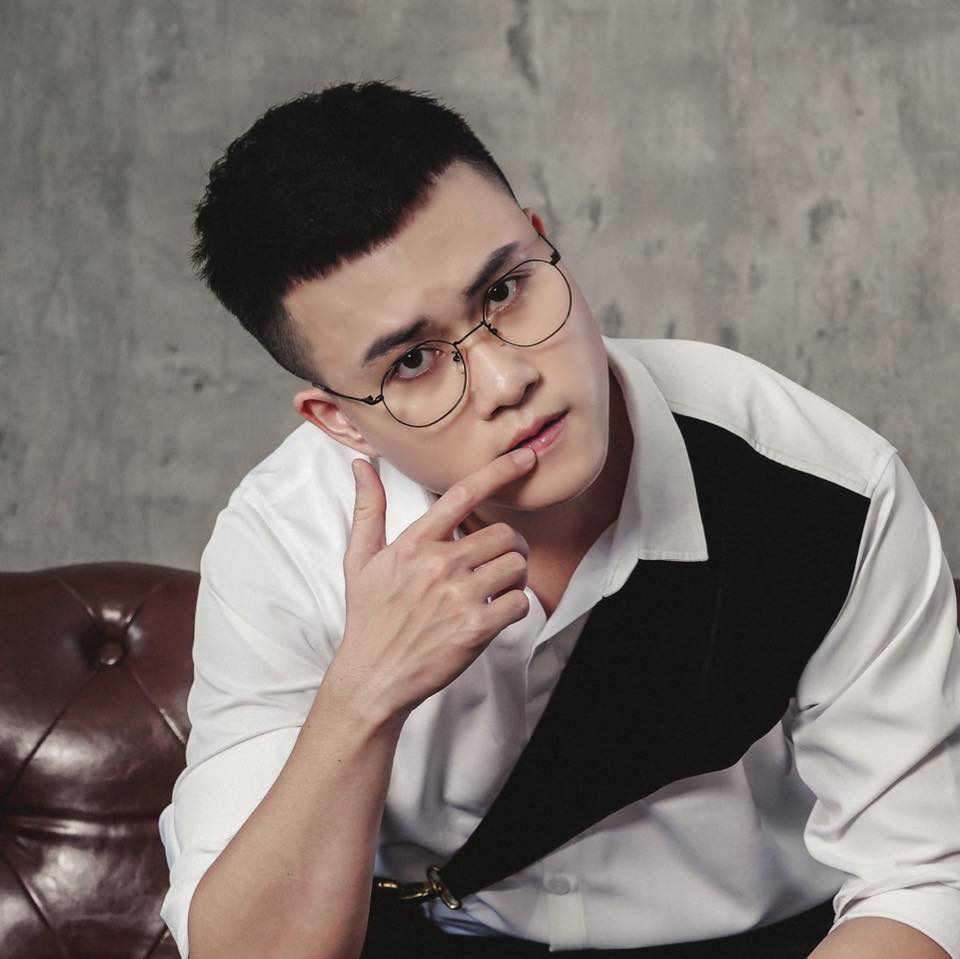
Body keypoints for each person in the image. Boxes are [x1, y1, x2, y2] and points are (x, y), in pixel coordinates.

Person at [158, 80, 960, 959]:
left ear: (544, 240)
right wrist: (364, 695)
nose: (509, 381)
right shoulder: (283, 539)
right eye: (415, 361)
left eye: (505, 290)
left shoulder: (823, 487)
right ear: (337, 419)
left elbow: (921, 880)